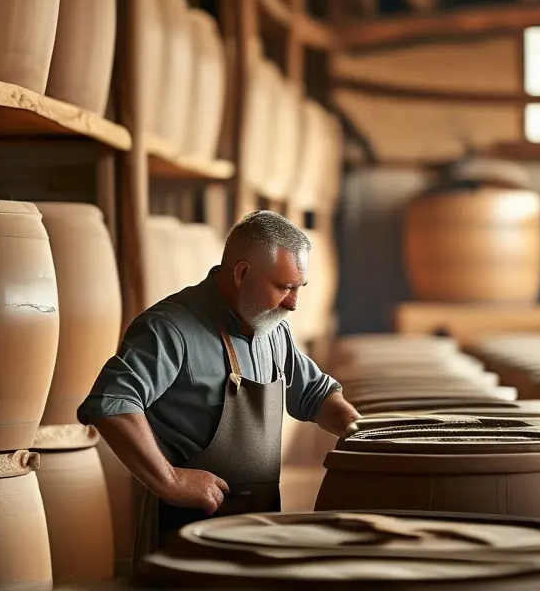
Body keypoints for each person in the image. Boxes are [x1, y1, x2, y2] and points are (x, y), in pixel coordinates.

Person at [76, 210, 361, 560]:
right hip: (187, 534)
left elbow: (316, 396)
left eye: (298, 288)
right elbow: (111, 404)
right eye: (284, 287)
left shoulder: (273, 330)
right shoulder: (169, 328)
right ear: (242, 273)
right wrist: (170, 480)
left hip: (259, 528)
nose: (293, 303)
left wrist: (357, 430)